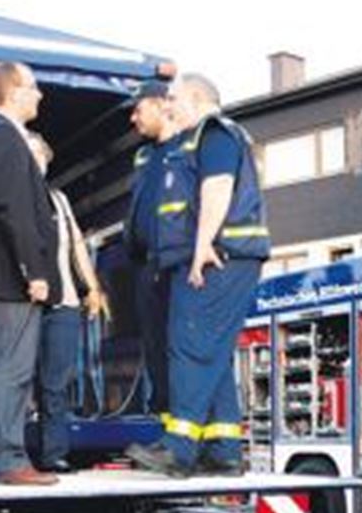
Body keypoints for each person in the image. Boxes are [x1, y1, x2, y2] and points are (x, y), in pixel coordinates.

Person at [127, 74, 269, 478]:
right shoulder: (202, 138)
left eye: (172, 98)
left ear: (195, 98)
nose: (168, 105)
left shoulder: (215, 133)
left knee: (190, 346)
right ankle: (223, 449)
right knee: (212, 352)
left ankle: (180, 447)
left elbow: (218, 186)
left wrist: (203, 245)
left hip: (220, 255)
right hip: (223, 256)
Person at [0, 61, 59, 486]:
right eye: (35, 87)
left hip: (3, 274)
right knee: (11, 370)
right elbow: (15, 211)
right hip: (12, 276)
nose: (40, 95)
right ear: (15, 90)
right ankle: (6, 459)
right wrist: (33, 270)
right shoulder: (4, 137)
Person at [26, 132, 107, 473]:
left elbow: (75, 246)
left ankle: (52, 453)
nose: (34, 162)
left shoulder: (58, 199)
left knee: (55, 383)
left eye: (38, 154)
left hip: (63, 303)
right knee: (19, 381)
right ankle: (14, 453)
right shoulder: (14, 196)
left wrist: (91, 288)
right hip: (25, 302)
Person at [123, 79, 178, 426]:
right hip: (145, 265)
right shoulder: (143, 155)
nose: (133, 118)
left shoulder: (187, 149)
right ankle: (164, 425)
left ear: (161, 106)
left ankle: (186, 432)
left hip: (174, 263)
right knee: (155, 348)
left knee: (178, 348)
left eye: (138, 109)